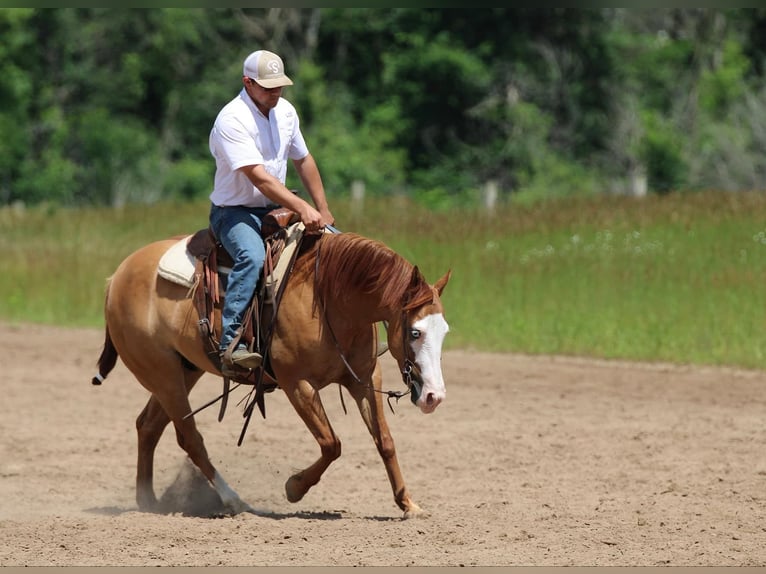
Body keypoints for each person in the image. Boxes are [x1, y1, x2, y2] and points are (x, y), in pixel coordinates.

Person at [208, 49, 334, 377]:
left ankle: (339, 337)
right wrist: (303, 207)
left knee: (335, 247)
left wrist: (322, 208)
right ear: (247, 83)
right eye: (267, 87)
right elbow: (261, 179)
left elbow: (303, 159)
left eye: (280, 86)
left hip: (276, 208)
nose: (276, 92)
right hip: (234, 212)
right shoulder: (232, 120)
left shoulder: (287, 112)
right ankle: (232, 344)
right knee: (250, 256)